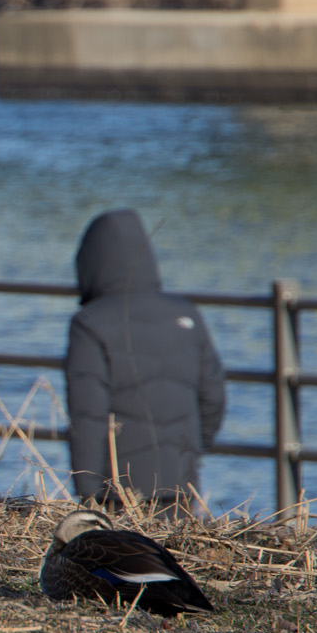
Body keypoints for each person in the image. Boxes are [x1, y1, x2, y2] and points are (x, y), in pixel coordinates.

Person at [65, 209, 226, 512]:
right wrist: (190, 452)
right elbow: (213, 396)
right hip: (180, 483)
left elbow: (88, 416)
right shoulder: (186, 314)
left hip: (117, 492)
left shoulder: (90, 323)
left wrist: (87, 493)